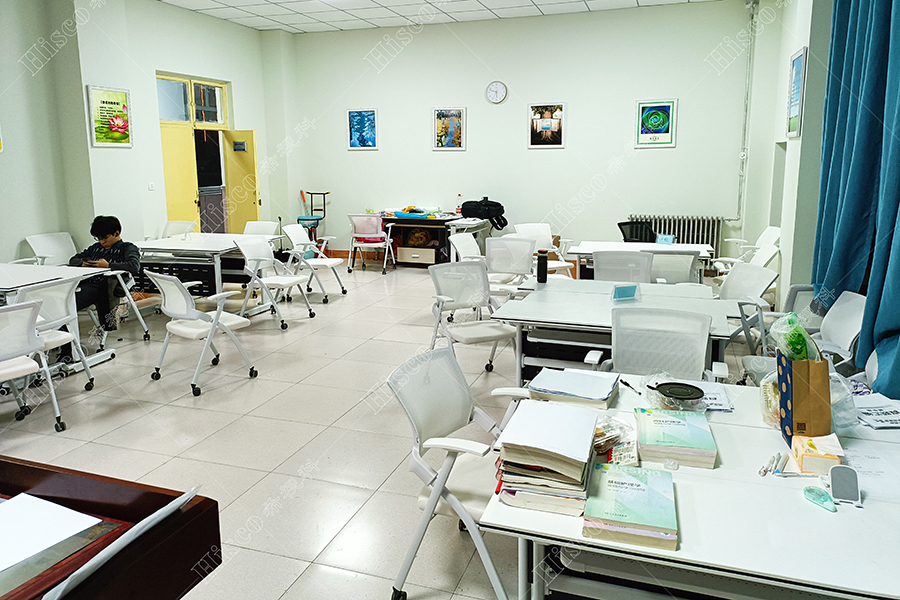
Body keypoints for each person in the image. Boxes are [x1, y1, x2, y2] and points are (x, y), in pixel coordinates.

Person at [68, 215, 141, 332]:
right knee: (62, 299)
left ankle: (64, 337)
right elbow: (73, 259)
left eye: (105, 238)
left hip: (105, 287)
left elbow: (134, 266)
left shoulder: (128, 248)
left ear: (117, 233)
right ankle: (62, 335)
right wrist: (81, 263)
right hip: (85, 282)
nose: (102, 242)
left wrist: (108, 265)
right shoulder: (95, 248)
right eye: (99, 238)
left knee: (67, 305)